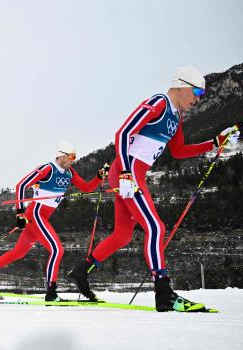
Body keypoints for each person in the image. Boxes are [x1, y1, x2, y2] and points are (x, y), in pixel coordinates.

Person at [68, 66, 240, 312]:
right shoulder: (159, 102)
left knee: (123, 235)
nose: (198, 98)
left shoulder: (176, 117)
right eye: (197, 91)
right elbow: (123, 133)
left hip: (133, 174)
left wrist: (214, 143)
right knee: (155, 227)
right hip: (127, 172)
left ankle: (81, 271)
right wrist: (127, 172)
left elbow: (179, 151)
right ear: (181, 86)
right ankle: (163, 291)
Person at [0, 142, 109, 301]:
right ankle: (51, 292)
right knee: (57, 250)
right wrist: (20, 214)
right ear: (61, 155)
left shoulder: (70, 173)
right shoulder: (48, 168)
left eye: (75, 157)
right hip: (35, 214)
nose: (73, 160)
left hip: (42, 217)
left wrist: (99, 176)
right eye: (71, 157)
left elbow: (87, 188)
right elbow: (20, 185)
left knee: (19, 252)